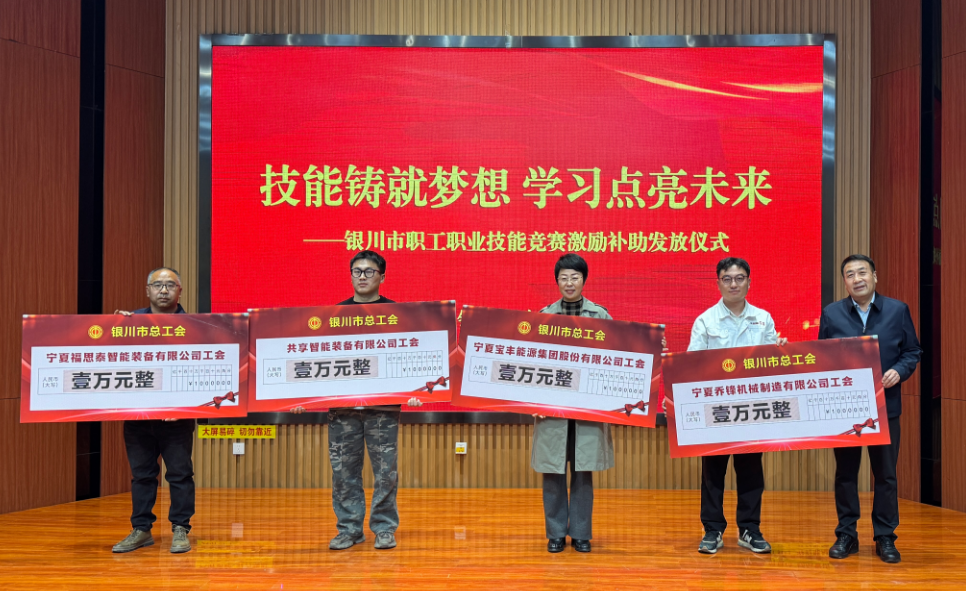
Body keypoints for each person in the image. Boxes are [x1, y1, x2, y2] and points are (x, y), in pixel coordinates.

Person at [293, 251, 421, 551]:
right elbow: (318, 358)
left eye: (369, 271)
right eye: (357, 271)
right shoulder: (334, 315)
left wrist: (418, 390)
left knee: (385, 472)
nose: (362, 276)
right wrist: (299, 395)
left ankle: (384, 528)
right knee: (343, 473)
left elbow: (412, 357)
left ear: (382, 277)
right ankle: (349, 529)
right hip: (343, 410)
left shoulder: (397, 314)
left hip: (382, 409)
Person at [819, 254, 921, 564]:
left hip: (885, 407)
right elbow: (821, 357)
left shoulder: (897, 310)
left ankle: (885, 536)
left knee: (886, 475)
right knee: (846, 474)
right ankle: (846, 534)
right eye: (850, 274)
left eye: (862, 272)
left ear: (874, 276)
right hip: (846, 409)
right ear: (845, 282)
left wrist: (899, 371)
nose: (857, 278)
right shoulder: (832, 314)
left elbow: (912, 351)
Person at [688, 257, 787, 555]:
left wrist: (780, 352)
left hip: (751, 407)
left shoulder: (763, 318)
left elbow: (772, 363)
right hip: (715, 407)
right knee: (712, 473)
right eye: (727, 279)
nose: (734, 284)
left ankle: (749, 529)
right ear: (718, 283)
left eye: (739, 278)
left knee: (751, 470)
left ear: (749, 282)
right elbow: (692, 364)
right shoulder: (706, 320)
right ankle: (712, 530)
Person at [532, 253, 614, 554]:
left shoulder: (600, 316)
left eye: (575, 277)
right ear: (557, 282)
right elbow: (531, 362)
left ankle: (581, 533)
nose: (569, 283)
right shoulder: (544, 317)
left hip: (586, 408)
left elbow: (620, 355)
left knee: (583, 472)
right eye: (564, 277)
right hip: (552, 408)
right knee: (553, 472)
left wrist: (653, 348)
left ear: (584, 280)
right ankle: (555, 533)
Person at [112, 267, 195, 554]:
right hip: (138, 416)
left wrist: (186, 407)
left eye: (170, 285)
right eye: (157, 285)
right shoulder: (129, 323)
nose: (163, 290)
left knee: (180, 475)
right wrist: (113, 328)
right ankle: (141, 529)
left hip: (177, 418)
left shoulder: (196, 326)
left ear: (179, 291)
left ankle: (181, 528)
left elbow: (206, 372)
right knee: (142, 475)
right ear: (147, 290)